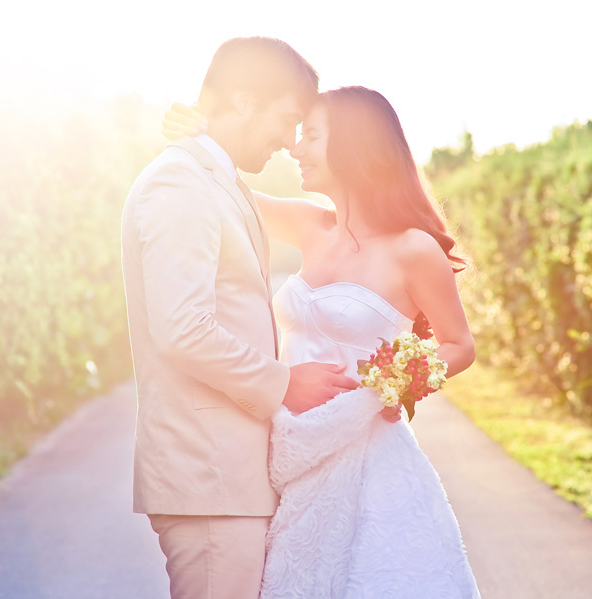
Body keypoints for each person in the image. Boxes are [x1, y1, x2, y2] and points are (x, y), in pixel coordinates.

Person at [163, 86, 482, 597]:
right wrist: (194, 134)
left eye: (311, 134)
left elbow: (459, 345)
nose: (295, 147)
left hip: (367, 457)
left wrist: (392, 383)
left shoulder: (413, 249)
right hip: (290, 447)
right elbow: (219, 189)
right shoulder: (309, 223)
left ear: (355, 147)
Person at [120, 37, 363, 599]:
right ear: (244, 100)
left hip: (227, 479)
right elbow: (183, 331)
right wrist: (284, 384)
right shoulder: (179, 184)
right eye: (287, 120)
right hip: (208, 478)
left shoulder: (214, 181)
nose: (289, 140)